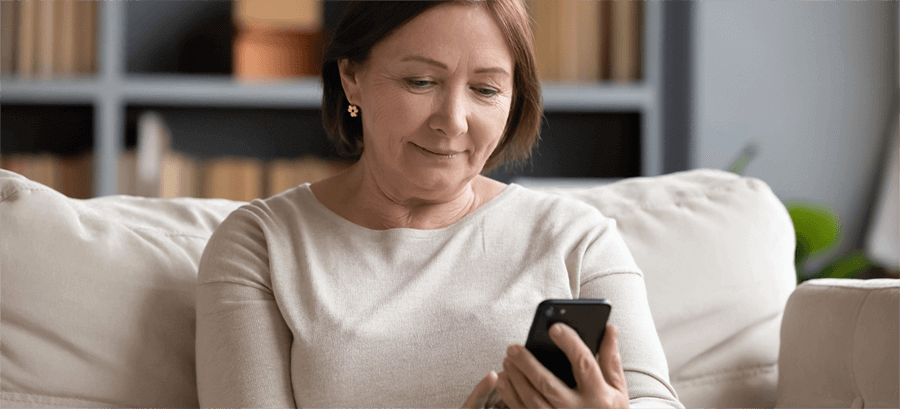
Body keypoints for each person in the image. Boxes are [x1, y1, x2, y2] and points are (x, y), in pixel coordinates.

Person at [195, 1, 683, 408]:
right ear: (351, 78)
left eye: (486, 90)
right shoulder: (259, 245)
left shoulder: (577, 238)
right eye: (420, 82)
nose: (452, 121)